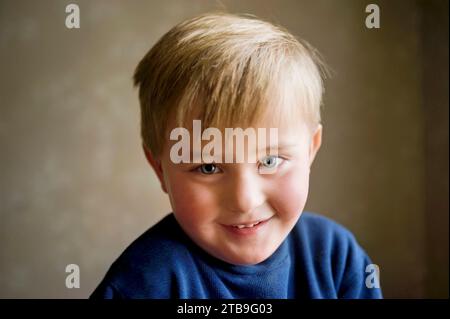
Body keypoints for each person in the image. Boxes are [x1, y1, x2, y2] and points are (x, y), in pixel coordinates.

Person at [91, 12, 382, 299]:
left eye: (269, 161)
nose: (245, 200)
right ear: (159, 170)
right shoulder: (141, 285)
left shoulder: (336, 258)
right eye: (208, 167)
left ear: (310, 150)